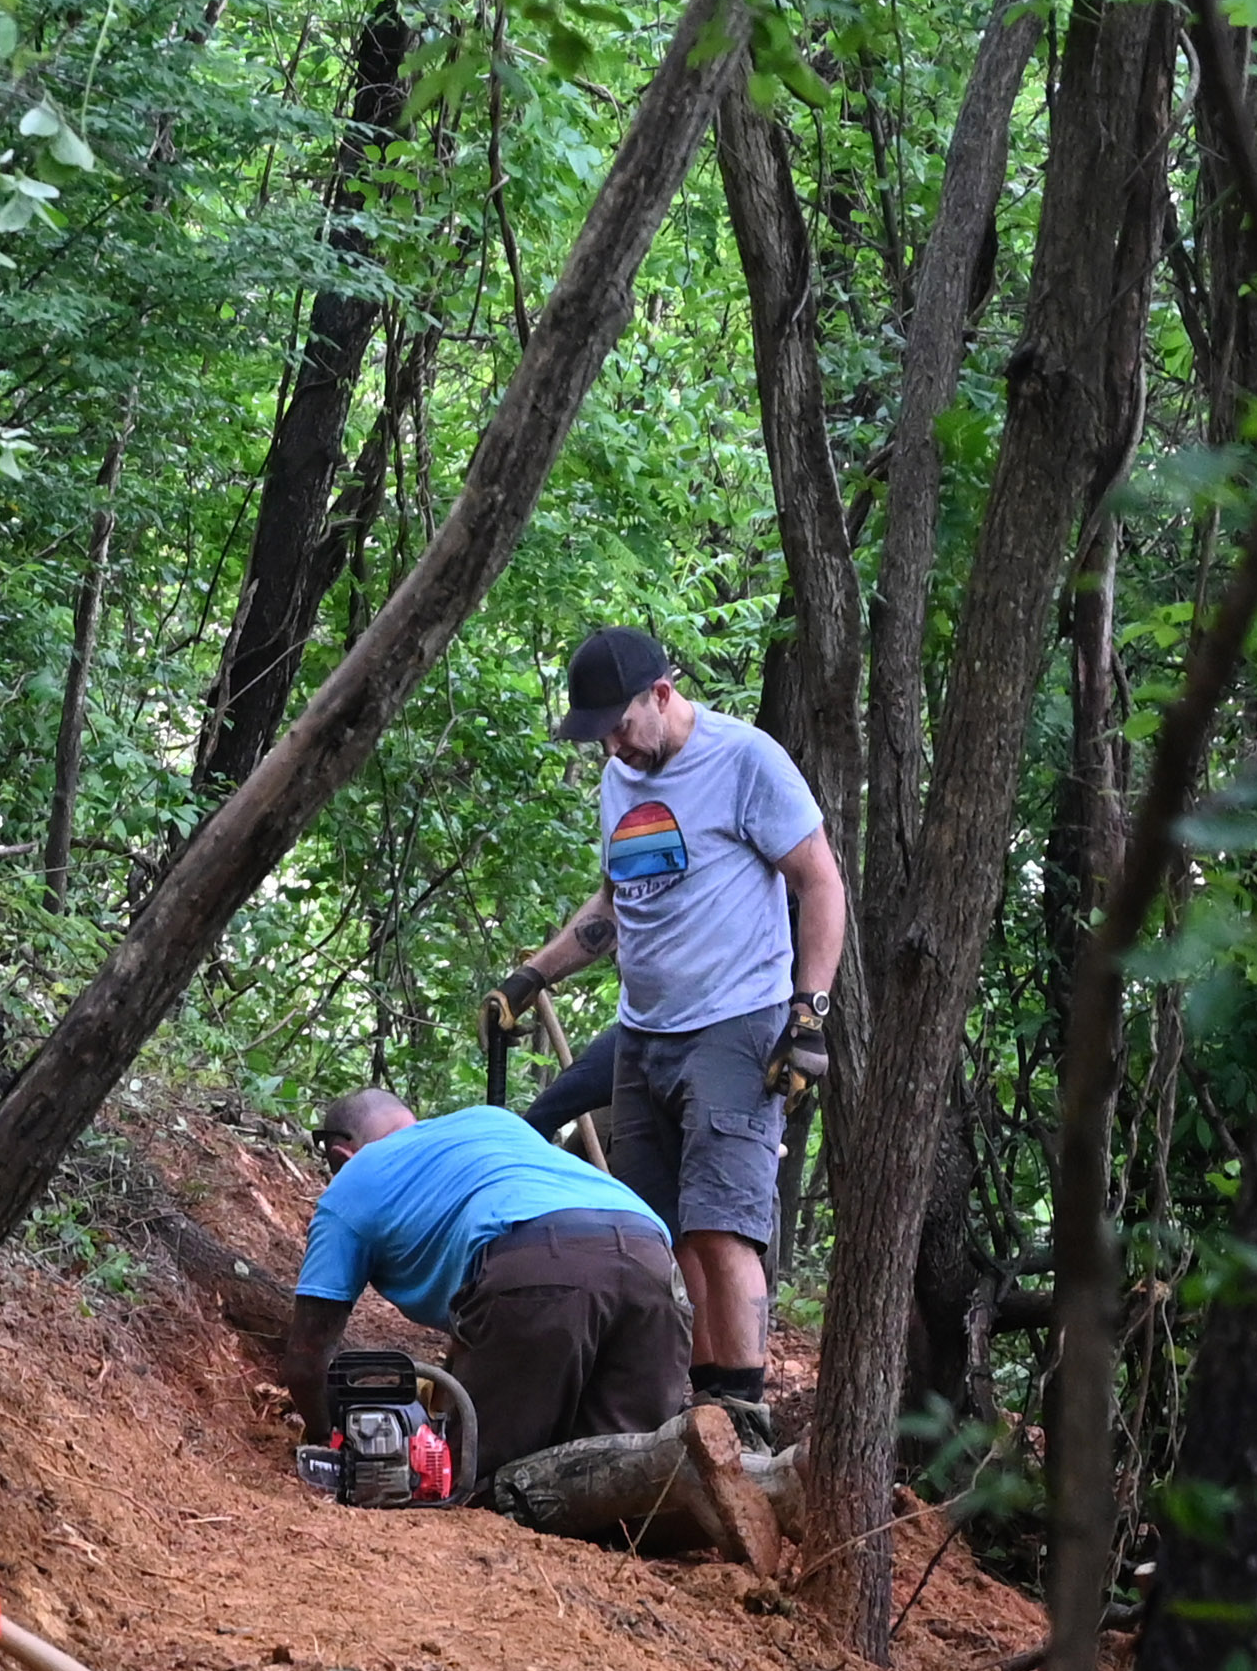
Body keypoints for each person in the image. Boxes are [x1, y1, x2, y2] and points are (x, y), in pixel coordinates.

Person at [487, 627, 846, 1468]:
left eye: (618, 723)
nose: (611, 744)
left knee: (724, 1230)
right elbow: (615, 904)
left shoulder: (745, 760)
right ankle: (699, 1416)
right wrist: (533, 976)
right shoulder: (622, 778)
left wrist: (809, 1013)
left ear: (661, 692)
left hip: (737, 1020)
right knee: (666, 1231)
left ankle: (744, 1420)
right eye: (598, 731)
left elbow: (820, 880)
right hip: (645, 1032)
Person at [289, 1087, 693, 1481]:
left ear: (341, 1155)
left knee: (482, 1480)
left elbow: (308, 1357)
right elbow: (485, 1317)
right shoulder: (490, 1122)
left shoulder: (350, 1185)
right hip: (652, 1257)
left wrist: (326, 1436)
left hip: (539, 1265)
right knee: (623, 1477)